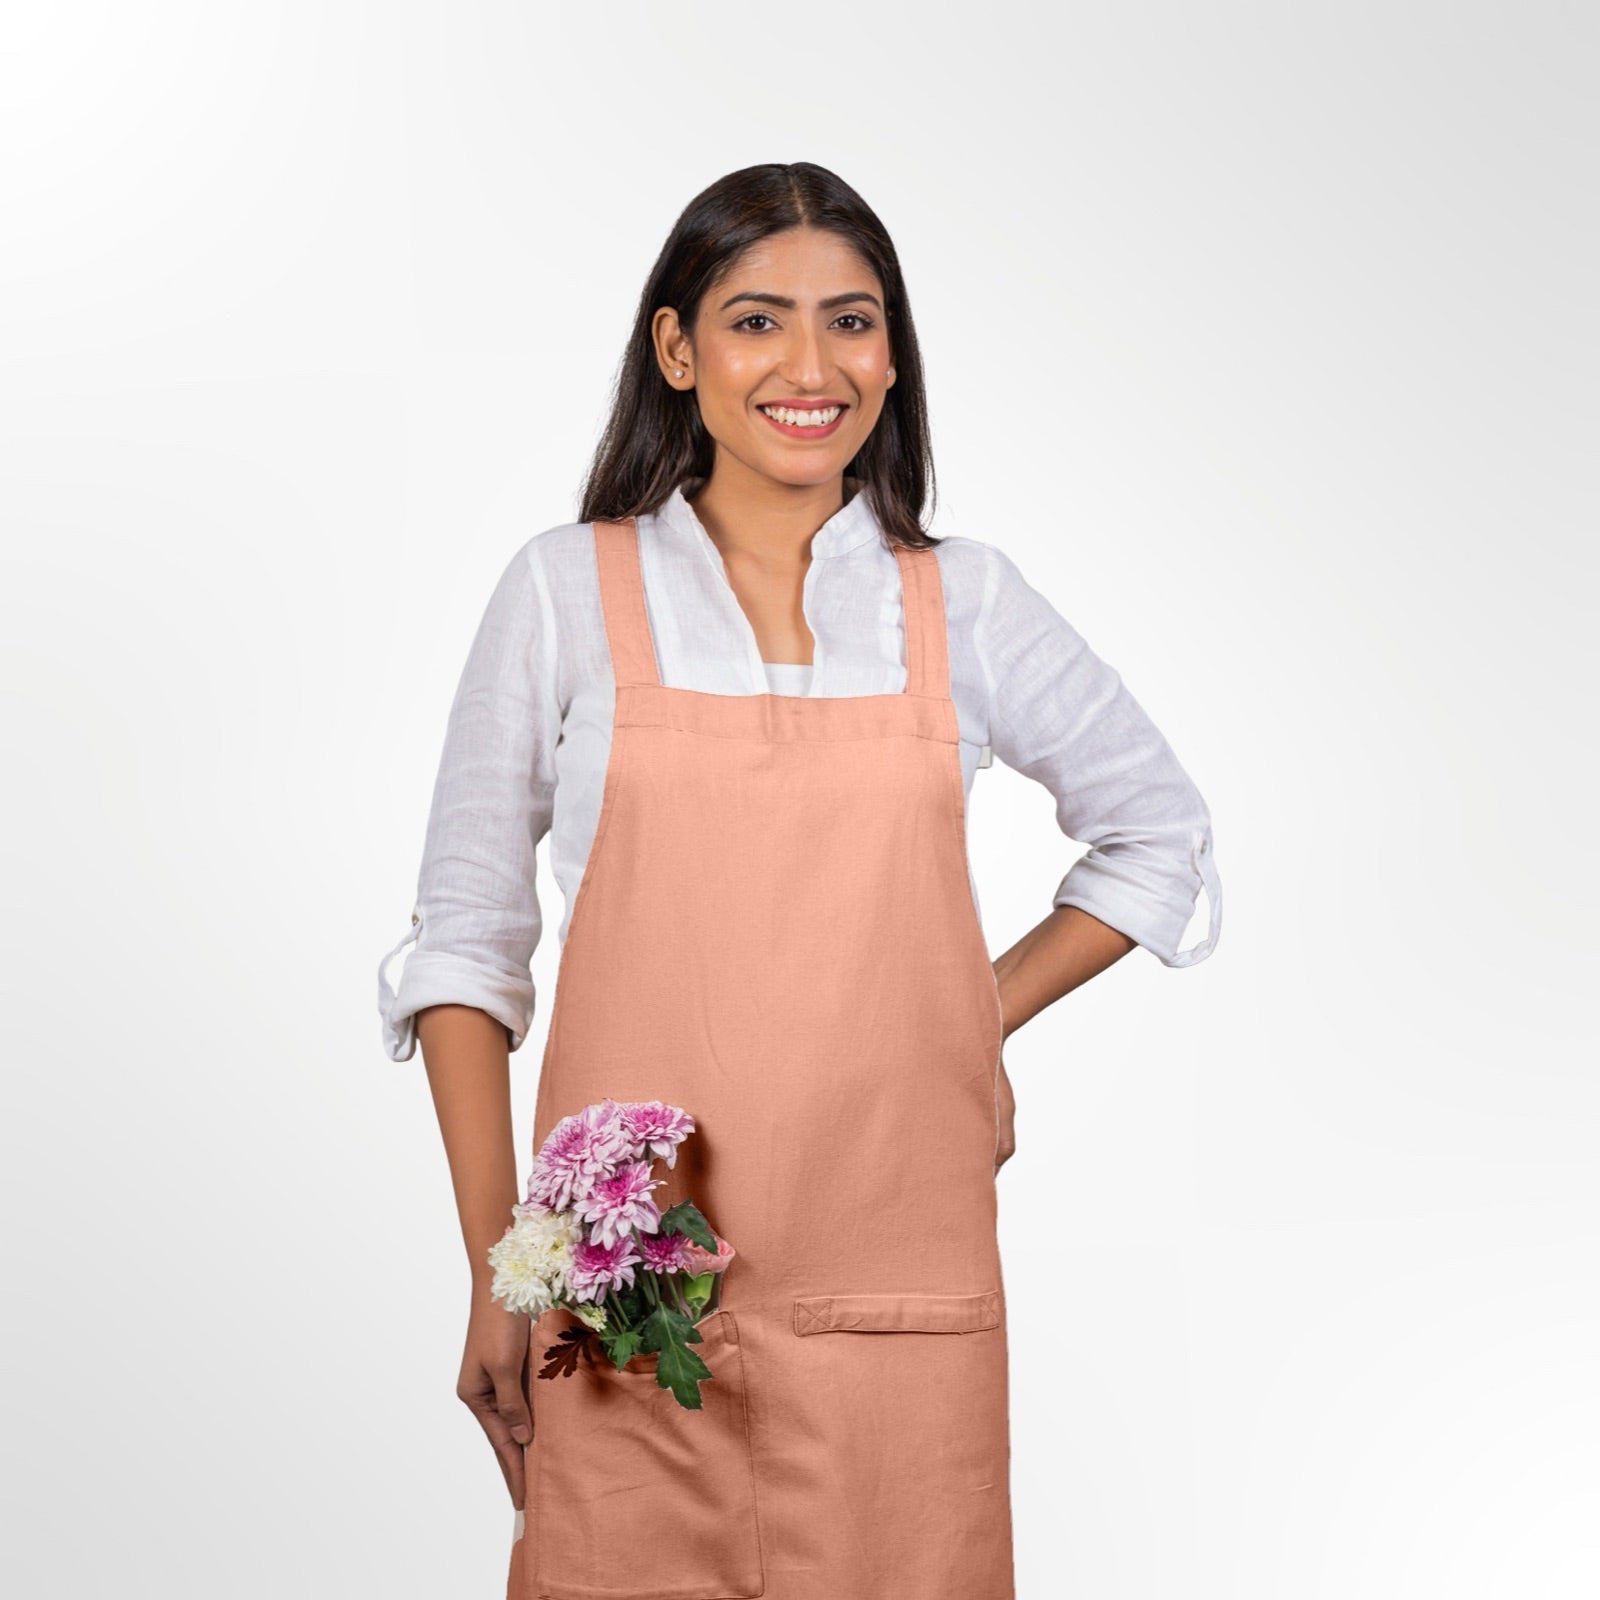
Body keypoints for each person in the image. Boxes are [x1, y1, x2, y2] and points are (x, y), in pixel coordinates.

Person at [375, 161, 1221, 1600]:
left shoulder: (964, 604)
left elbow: (1159, 834)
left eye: (852, 321)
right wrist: (495, 1268)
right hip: (632, 1300)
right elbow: (465, 948)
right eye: (757, 320)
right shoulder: (565, 591)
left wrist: (964, 1017)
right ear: (677, 348)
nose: (811, 367)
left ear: (893, 356)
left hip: (894, 1286)